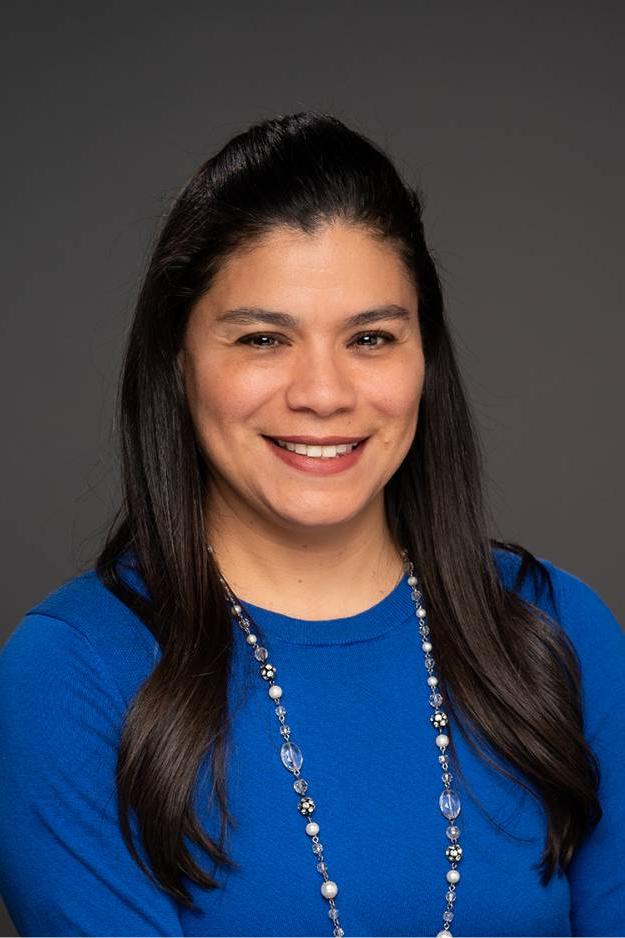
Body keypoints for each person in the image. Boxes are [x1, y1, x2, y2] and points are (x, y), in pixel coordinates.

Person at [0, 111, 623, 938]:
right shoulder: (69, 675)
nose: (323, 394)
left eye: (370, 337)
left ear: (423, 360)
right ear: (177, 362)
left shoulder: (557, 630)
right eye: (263, 338)